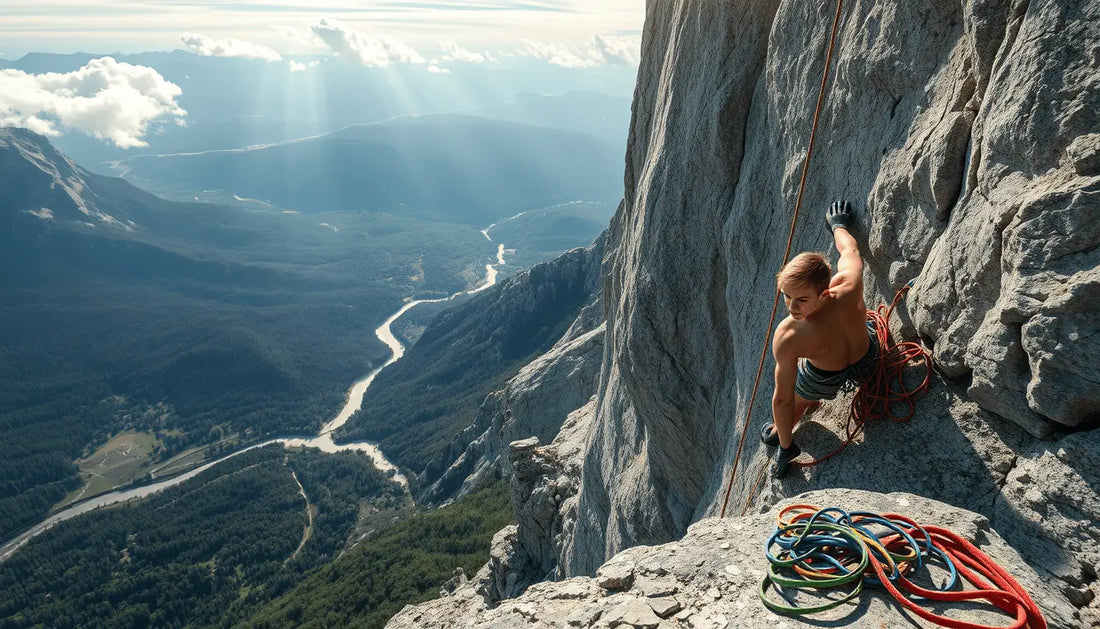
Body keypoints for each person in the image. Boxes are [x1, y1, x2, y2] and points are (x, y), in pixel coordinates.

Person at [761, 200, 880, 478]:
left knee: (794, 404)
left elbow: (782, 401)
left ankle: (779, 438)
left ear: (823, 293)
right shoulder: (850, 283)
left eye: (801, 300)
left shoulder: (789, 334)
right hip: (868, 356)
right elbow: (849, 250)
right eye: (786, 296)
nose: (791, 308)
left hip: (823, 378)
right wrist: (838, 225)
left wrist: (785, 445)